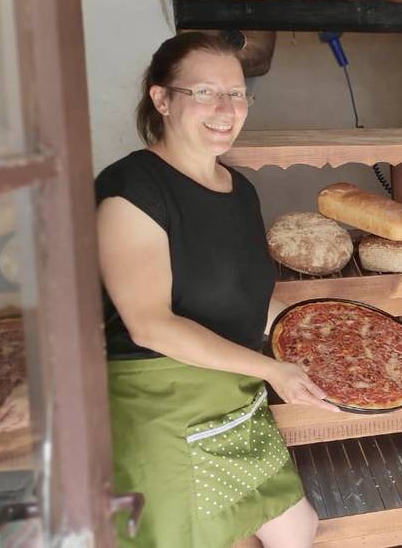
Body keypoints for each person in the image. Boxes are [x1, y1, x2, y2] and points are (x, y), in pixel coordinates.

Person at [96, 32, 335, 547]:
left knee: (296, 529)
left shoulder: (240, 189)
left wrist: (318, 338)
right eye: (205, 92)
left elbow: (245, 294)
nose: (227, 109)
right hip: (163, 401)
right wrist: (274, 370)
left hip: (234, 389)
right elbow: (150, 325)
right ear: (162, 99)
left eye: (238, 94)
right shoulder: (132, 188)